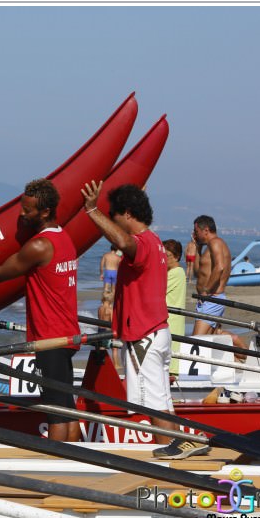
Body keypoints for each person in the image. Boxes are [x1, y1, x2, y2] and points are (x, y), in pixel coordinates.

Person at [81, 180, 206, 459]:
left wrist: (92, 211)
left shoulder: (141, 243)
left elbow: (123, 240)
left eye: (114, 216)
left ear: (126, 214)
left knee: (153, 403)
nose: (112, 223)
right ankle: (181, 444)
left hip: (144, 336)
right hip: (156, 333)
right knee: (161, 401)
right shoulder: (155, 243)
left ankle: (175, 451)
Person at [0, 178, 80, 442]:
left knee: (54, 411)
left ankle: (60, 468)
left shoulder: (39, 245)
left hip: (49, 339)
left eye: (27, 210)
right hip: (68, 335)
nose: (22, 214)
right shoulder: (64, 237)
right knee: (67, 407)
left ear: (44, 212)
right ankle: (78, 460)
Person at [191, 215, 248, 360]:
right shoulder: (208, 246)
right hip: (208, 300)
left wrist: (205, 291)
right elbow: (198, 273)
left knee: (195, 343)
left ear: (206, 230)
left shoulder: (215, 242)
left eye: (196, 231)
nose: (194, 234)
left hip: (212, 298)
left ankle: (239, 348)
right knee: (209, 341)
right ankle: (233, 347)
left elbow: (220, 267)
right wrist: (197, 247)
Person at [163, 239, 186, 376]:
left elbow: (157, 290)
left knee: (170, 360)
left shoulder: (176, 272)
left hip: (172, 321)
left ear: (176, 256)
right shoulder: (172, 272)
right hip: (170, 320)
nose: (163, 259)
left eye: (167, 256)